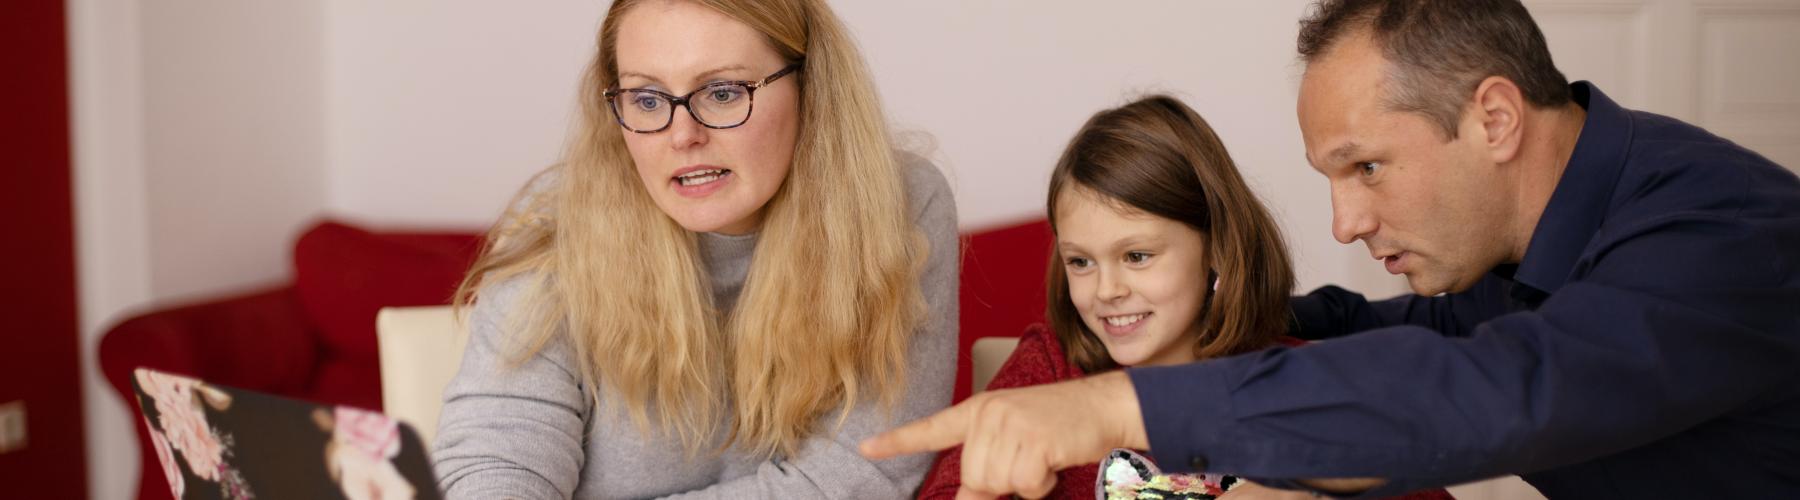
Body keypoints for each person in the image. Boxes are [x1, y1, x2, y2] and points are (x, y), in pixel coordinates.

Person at [862, 0, 1800, 498]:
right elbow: (1375, 329)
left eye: (1368, 168)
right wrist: (1196, 316)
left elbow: (1493, 390)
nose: (1346, 224)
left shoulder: (1719, 234)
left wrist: (1126, 402)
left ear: (1496, 118)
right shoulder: (1510, 259)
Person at [432, 0, 960, 497]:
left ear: (812, 89)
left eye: (724, 92)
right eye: (647, 98)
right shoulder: (556, 218)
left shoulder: (902, 205)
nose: (682, 135)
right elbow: (498, 458)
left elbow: (864, 472)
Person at [915, 96, 1451, 500]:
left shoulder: (1302, 384)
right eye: (1081, 261)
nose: (1107, 290)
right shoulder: (1050, 368)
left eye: (1138, 256)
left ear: (1216, 247)